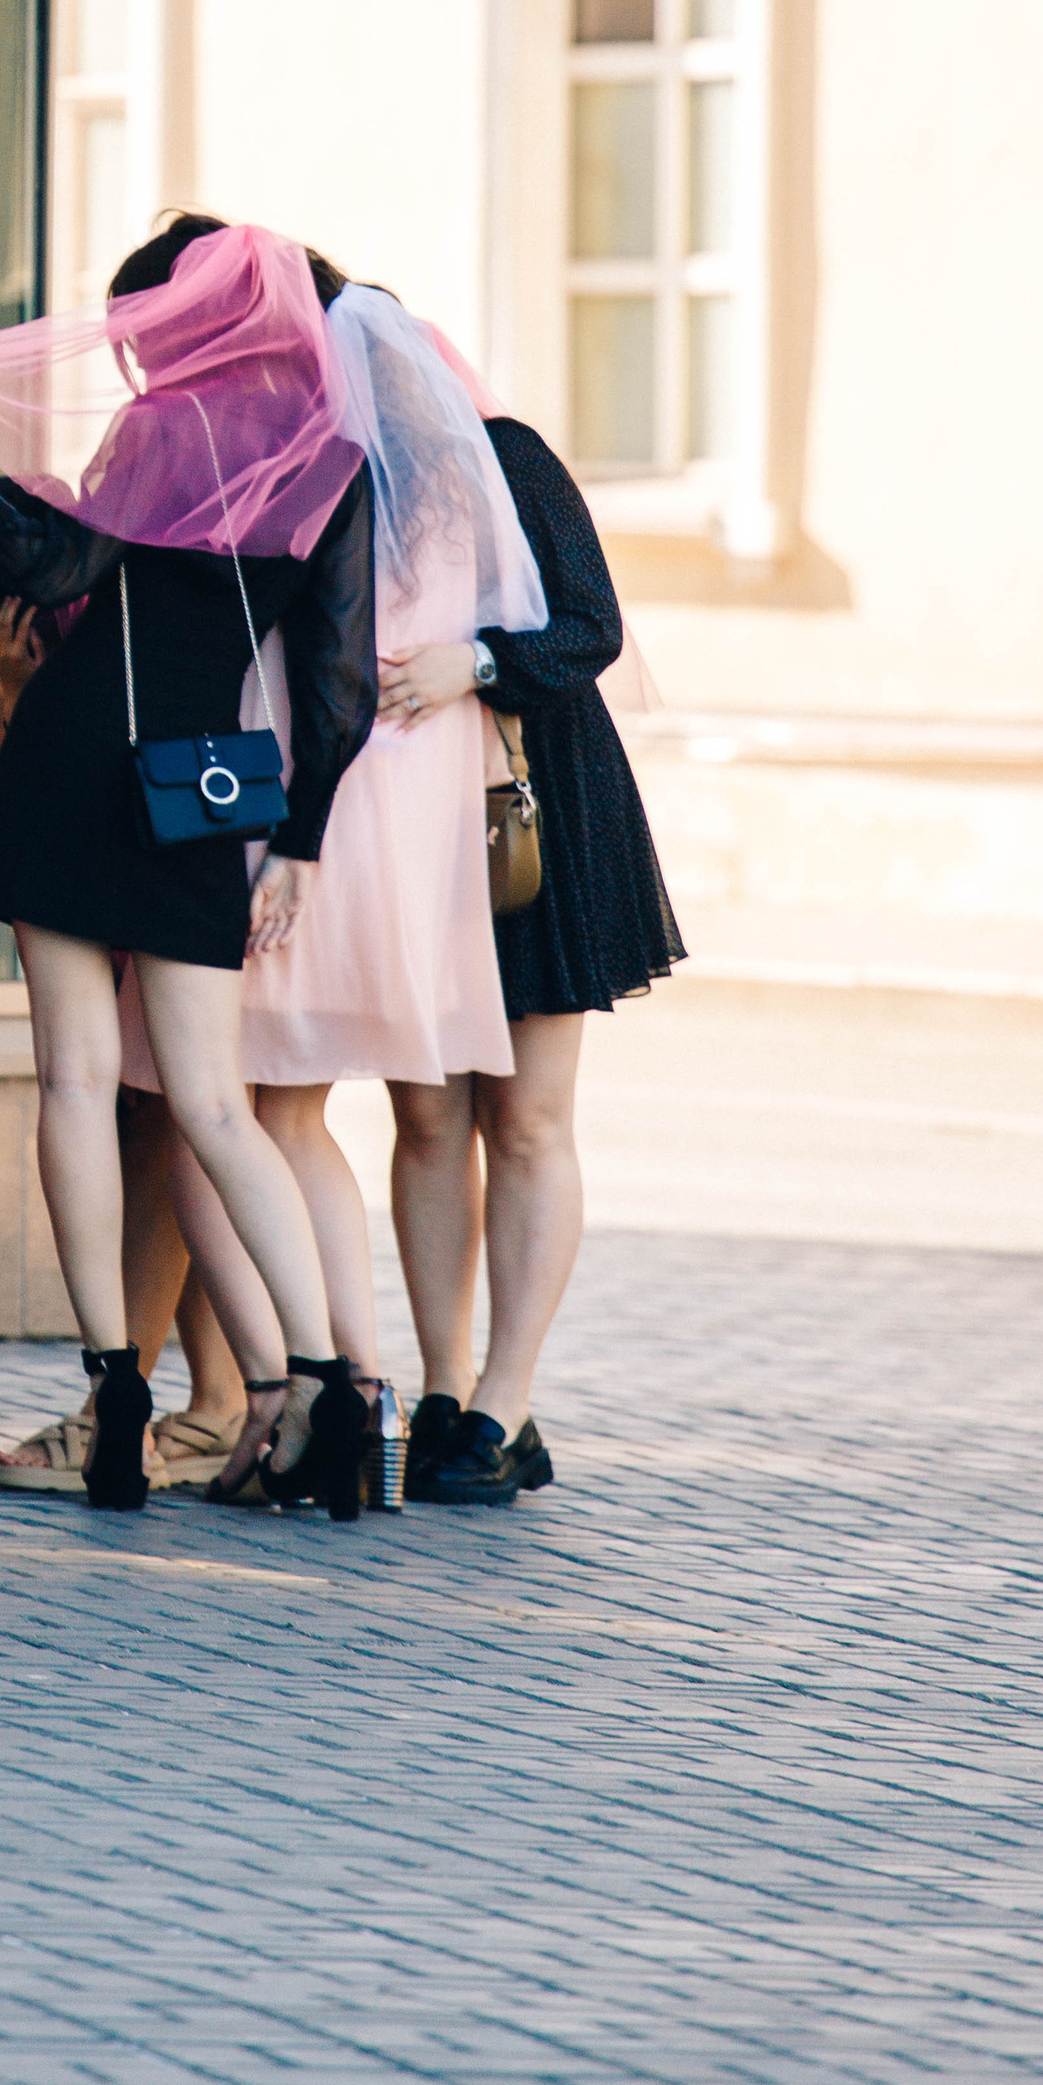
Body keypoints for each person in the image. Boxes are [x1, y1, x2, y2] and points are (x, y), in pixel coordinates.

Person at [0, 215, 379, 1520]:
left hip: (75, 768)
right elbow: (336, 692)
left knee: (76, 1080)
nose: (134, 357)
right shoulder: (334, 458)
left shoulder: (161, 433)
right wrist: (304, 847)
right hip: (203, 791)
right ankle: (329, 1393)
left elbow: (52, 566)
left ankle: (113, 1394)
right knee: (216, 1108)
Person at [200, 263, 549, 1513]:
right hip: (426, 818)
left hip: (326, 798)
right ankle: (407, 1389)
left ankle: (349, 1380)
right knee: (411, 1115)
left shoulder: (312, 475)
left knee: (269, 1109)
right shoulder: (459, 490)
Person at [380, 402, 685, 1506]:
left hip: (534, 810)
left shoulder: (502, 453)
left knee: (528, 1116)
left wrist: (471, 661)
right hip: (406, 827)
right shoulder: (335, 476)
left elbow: (588, 627)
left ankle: (505, 1406)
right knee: (424, 1117)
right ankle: (444, 1390)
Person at [0, 567, 268, 1497]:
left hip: (169, 850)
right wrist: (10, 690)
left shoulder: (141, 589)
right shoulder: (81, 619)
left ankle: (172, 1397)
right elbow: (31, 766)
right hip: (157, 860)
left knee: (182, 1123)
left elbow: (57, 771)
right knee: (183, 1126)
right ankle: (233, 1396)